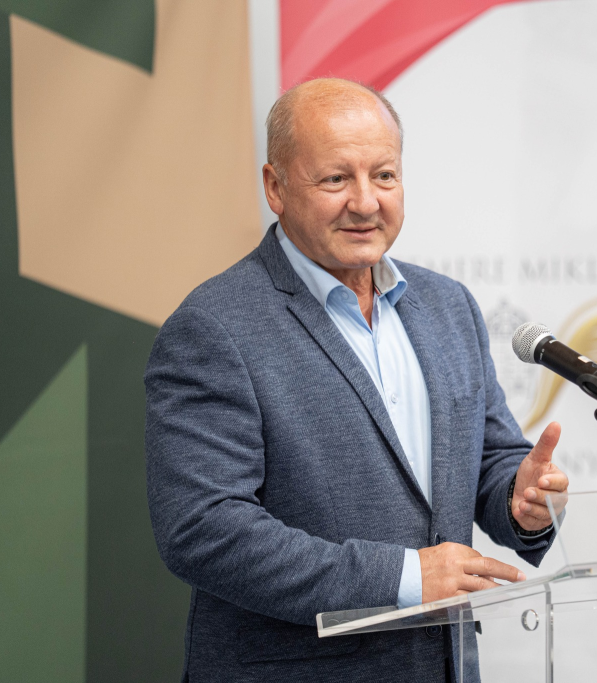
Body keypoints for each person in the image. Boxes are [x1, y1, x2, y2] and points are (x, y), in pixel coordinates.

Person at [144, 78, 569, 682]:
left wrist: (520, 501)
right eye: (335, 179)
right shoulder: (214, 328)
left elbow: (490, 461)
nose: (366, 202)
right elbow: (204, 529)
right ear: (275, 187)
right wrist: (403, 577)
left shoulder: (449, 306)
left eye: (385, 176)